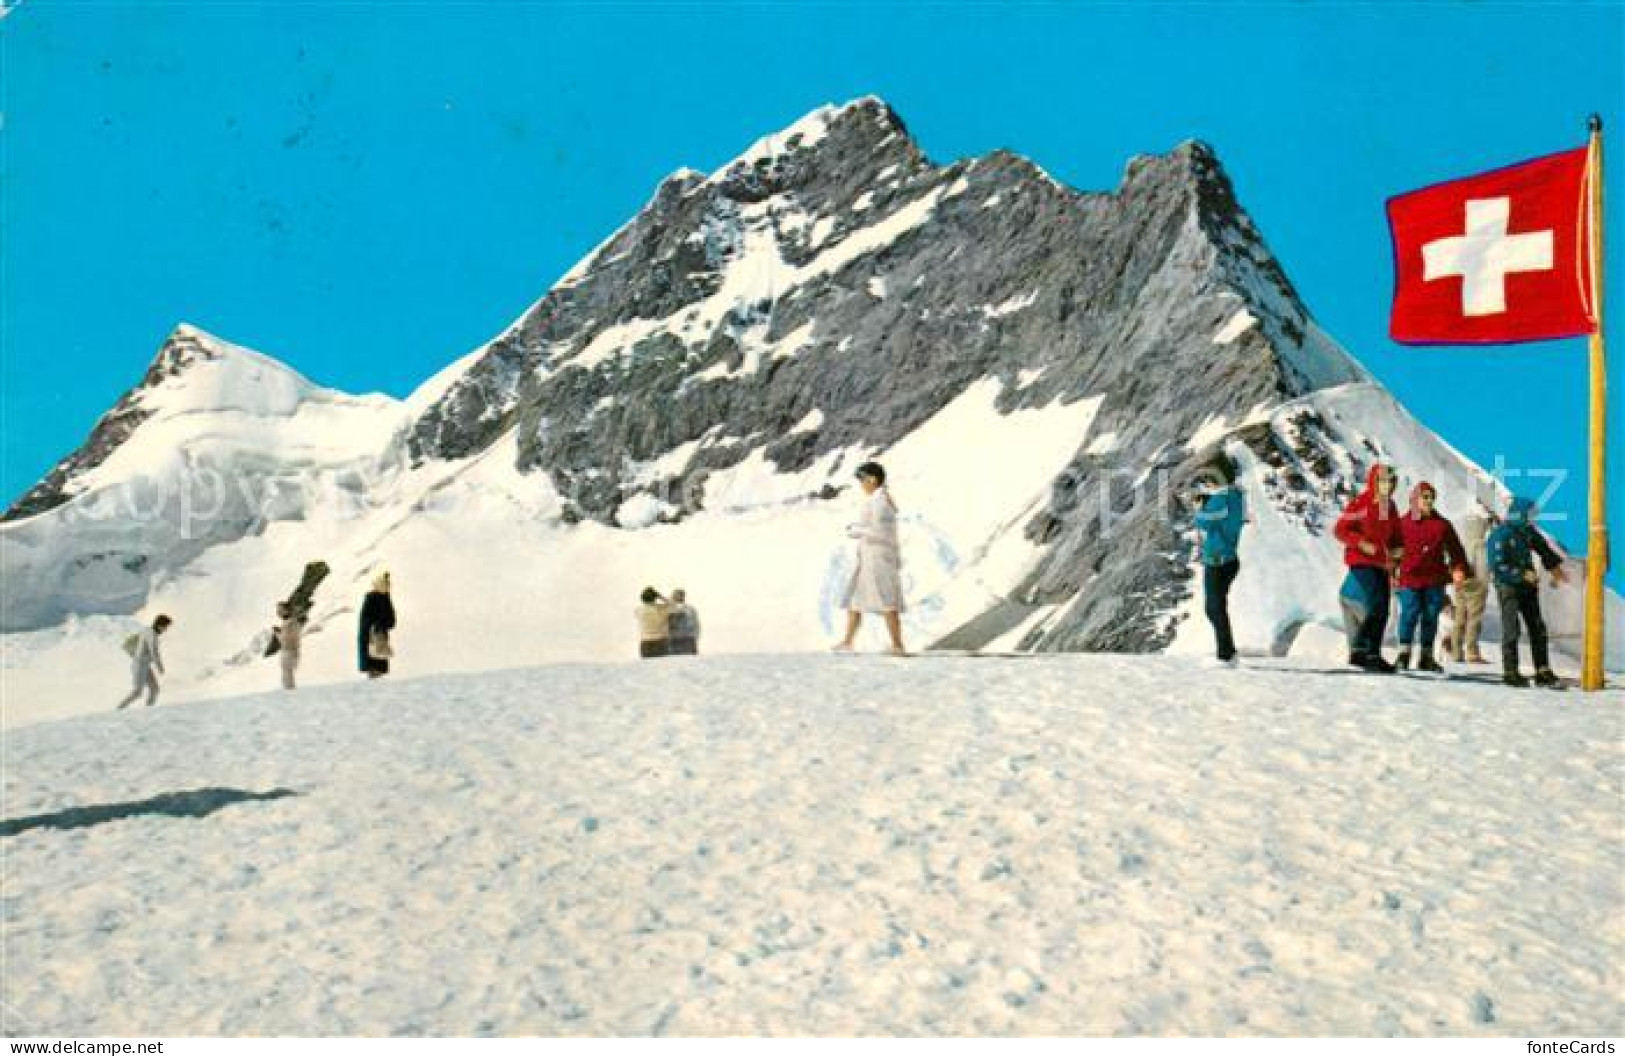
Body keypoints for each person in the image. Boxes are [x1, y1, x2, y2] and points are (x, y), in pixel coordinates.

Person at [1487, 496, 1569, 687]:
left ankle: (1542, 670)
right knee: (1511, 628)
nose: (1533, 518)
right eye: (1530, 514)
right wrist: (1521, 574)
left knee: (1538, 627)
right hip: (1508, 586)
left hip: (1528, 586)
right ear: (1520, 513)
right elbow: (1497, 565)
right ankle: (1510, 671)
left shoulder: (1527, 532)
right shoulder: (1500, 535)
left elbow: (1543, 548)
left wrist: (1554, 567)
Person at [1334, 464, 1404, 673]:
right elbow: (1340, 529)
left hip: (1381, 563)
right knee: (1377, 605)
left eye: (1392, 481)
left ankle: (1365, 653)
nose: (1388, 485)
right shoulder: (1361, 504)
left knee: (1383, 609)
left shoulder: (1389, 507)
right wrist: (1361, 542)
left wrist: (1398, 551)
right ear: (1374, 482)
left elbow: (1396, 536)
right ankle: (1366, 651)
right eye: (1383, 481)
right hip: (1360, 561)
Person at [1393, 482, 1469, 672]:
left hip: (1434, 579)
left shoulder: (1442, 525)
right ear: (1415, 499)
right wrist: (1392, 570)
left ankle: (1426, 657)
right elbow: (1392, 550)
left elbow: (1456, 551)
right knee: (1409, 615)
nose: (1429, 500)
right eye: (1424, 497)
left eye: (1431, 497)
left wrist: (1458, 569)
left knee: (1430, 616)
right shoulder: (1402, 524)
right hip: (1409, 578)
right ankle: (1403, 654)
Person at [833, 461, 907, 656]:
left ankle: (897, 645)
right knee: (855, 599)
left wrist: (855, 530)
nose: (861, 484)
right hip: (868, 557)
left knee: (886, 600)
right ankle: (847, 641)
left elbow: (880, 531)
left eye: (863, 480)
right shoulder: (876, 499)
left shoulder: (881, 502)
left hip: (879, 558)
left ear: (872, 480)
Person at [1193, 457, 1245, 665]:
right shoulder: (1234, 496)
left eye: (1210, 477)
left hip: (1218, 561)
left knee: (1214, 608)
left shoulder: (1222, 500)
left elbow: (1205, 521)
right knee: (1216, 608)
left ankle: (1226, 655)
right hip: (1225, 559)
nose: (1207, 481)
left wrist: (1200, 507)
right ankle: (1227, 651)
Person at [1441, 503, 1497, 664]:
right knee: (1474, 618)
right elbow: (1484, 568)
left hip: (1460, 583)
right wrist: (1484, 583)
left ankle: (1456, 651)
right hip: (1476, 584)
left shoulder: (1463, 544)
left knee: (1459, 618)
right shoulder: (1481, 546)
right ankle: (1472, 651)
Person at [116, 614, 172, 709]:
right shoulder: (152, 635)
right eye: (165, 627)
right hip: (139, 665)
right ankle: (118, 709)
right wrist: (160, 668)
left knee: (154, 689)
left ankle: (148, 710)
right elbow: (154, 652)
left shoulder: (146, 630)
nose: (166, 630)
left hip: (144, 665)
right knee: (137, 692)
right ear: (160, 625)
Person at [358, 572, 396, 679]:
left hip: (377, 636)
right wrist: (379, 624)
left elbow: (391, 618)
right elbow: (366, 620)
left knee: (378, 661)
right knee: (374, 663)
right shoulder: (373, 598)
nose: (388, 586)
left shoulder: (383, 597)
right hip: (372, 636)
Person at [276, 601, 305, 690]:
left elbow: (287, 640)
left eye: (280, 610)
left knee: (288, 678)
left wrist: (278, 633)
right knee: (286, 677)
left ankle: (290, 696)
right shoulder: (288, 623)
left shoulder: (291, 623)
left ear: (287, 611)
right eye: (278, 610)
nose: (278, 612)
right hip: (288, 652)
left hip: (290, 652)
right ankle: (289, 696)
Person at [636, 587, 671, 658]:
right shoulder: (661, 609)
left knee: (647, 667)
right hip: (661, 642)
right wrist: (661, 597)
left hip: (646, 642)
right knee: (663, 666)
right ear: (655, 598)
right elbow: (673, 605)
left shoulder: (639, 610)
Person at [666, 589, 701, 655]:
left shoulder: (668, 610)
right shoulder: (691, 609)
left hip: (675, 641)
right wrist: (695, 639)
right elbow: (697, 626)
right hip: (689, 640)